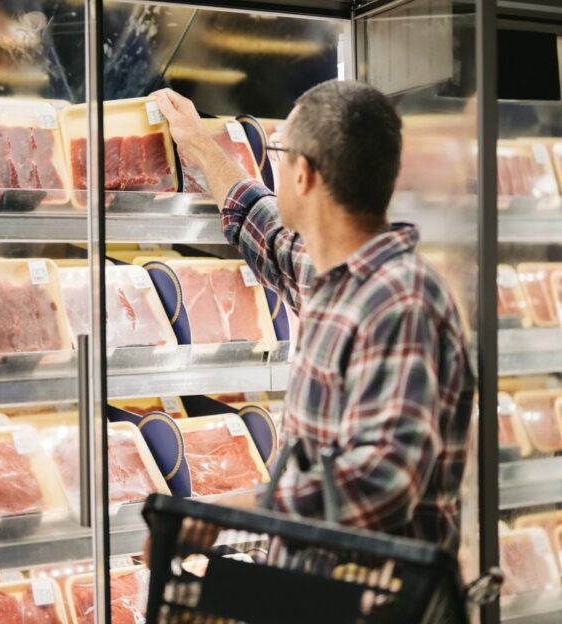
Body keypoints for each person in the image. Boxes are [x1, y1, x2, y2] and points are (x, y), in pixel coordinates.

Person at [151, 80, 475, 551]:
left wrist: (233, 512)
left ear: (301, 174)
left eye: (279, 153)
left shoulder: (399, 300)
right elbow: (263, 226)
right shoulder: (335, 275)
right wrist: (200, 144)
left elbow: (382, 481)